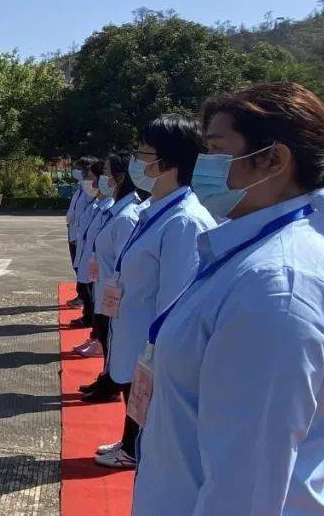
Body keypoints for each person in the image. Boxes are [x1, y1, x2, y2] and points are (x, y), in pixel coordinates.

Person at [133, 82, 324, 516]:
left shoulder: (278, 287)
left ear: (273, 159)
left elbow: (246, 489)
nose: (203, 165)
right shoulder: (252, 254)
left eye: (216, 149)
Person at [97, 115, 217, 470]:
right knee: (134, 407)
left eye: (141, 152)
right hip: (132, 340)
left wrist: (155, 359)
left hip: (151, 352)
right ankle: (132, 444)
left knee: (155, 439)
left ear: (165, 162)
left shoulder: (184, 221)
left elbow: (176, 307)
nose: (136, 160)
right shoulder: (153, 212)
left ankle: (138, 450)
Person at [79, 151, 142, 404]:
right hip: (104, 290)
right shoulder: (116, 210)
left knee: (113, 344)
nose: (101, 179)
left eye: (105, 174)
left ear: (119, 177)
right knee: (107, 343)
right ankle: (107, 381)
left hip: (113, 296)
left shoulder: (127, 216)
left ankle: (110, 384)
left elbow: (125, 264)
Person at [71, 159, 113, 354]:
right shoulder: (98, 204)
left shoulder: (111, 209)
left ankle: (99, 341)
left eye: (95, 177)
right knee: (96, 304)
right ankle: (95, 338)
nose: (93, 183)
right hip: (94, 266)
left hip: (104, 270)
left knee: (100, 309)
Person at [64, 157, 96, 307]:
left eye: (79, 169)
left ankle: (85, 299)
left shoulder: (90, 189)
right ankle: (82, 296)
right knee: (77, 266)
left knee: (82, 268)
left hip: (80, 234)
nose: (75, 171)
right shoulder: (80, 188)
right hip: (73, 231)